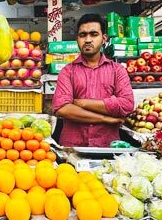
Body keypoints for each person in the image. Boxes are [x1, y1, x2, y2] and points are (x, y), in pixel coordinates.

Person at [52, 14, 135, 147]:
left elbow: (126, 105)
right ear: (77, 39)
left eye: (94, 34)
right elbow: (62, 108)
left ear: (103, 39)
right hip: (72, 148)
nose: (88, 39)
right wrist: (105, 119)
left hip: (107, 146)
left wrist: (83, 103)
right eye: (83, 35)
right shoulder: (67, 71)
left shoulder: (117, 70)